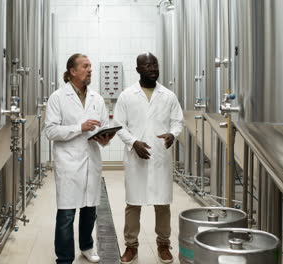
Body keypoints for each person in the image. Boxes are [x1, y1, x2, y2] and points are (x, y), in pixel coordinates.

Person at [114, 52, 184, 264]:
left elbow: (177, 122)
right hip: (137, 159)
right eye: (147, 65)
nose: (153, 68)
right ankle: (131, 247)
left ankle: (164, 244)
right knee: (133, 204)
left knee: (162, 204)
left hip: (160, 157)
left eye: (155, 65)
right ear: (138, 70)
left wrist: (173, 134)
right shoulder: (127, 95)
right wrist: (133, 143)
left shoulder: (169, 95)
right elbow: (119, 125)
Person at [45, 53, 115, 264]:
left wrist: (104, 139)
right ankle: (64, 258)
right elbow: (50, 131)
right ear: (72, 71)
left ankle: (86, 246)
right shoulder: (58, 97)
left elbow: (103, 128)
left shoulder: (97, 98)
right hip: (68, 162)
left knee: (89, 210)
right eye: (85, 66)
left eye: (90, 66)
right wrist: (79, 128)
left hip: (91, 159)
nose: (90, 70)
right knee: (66, 215)